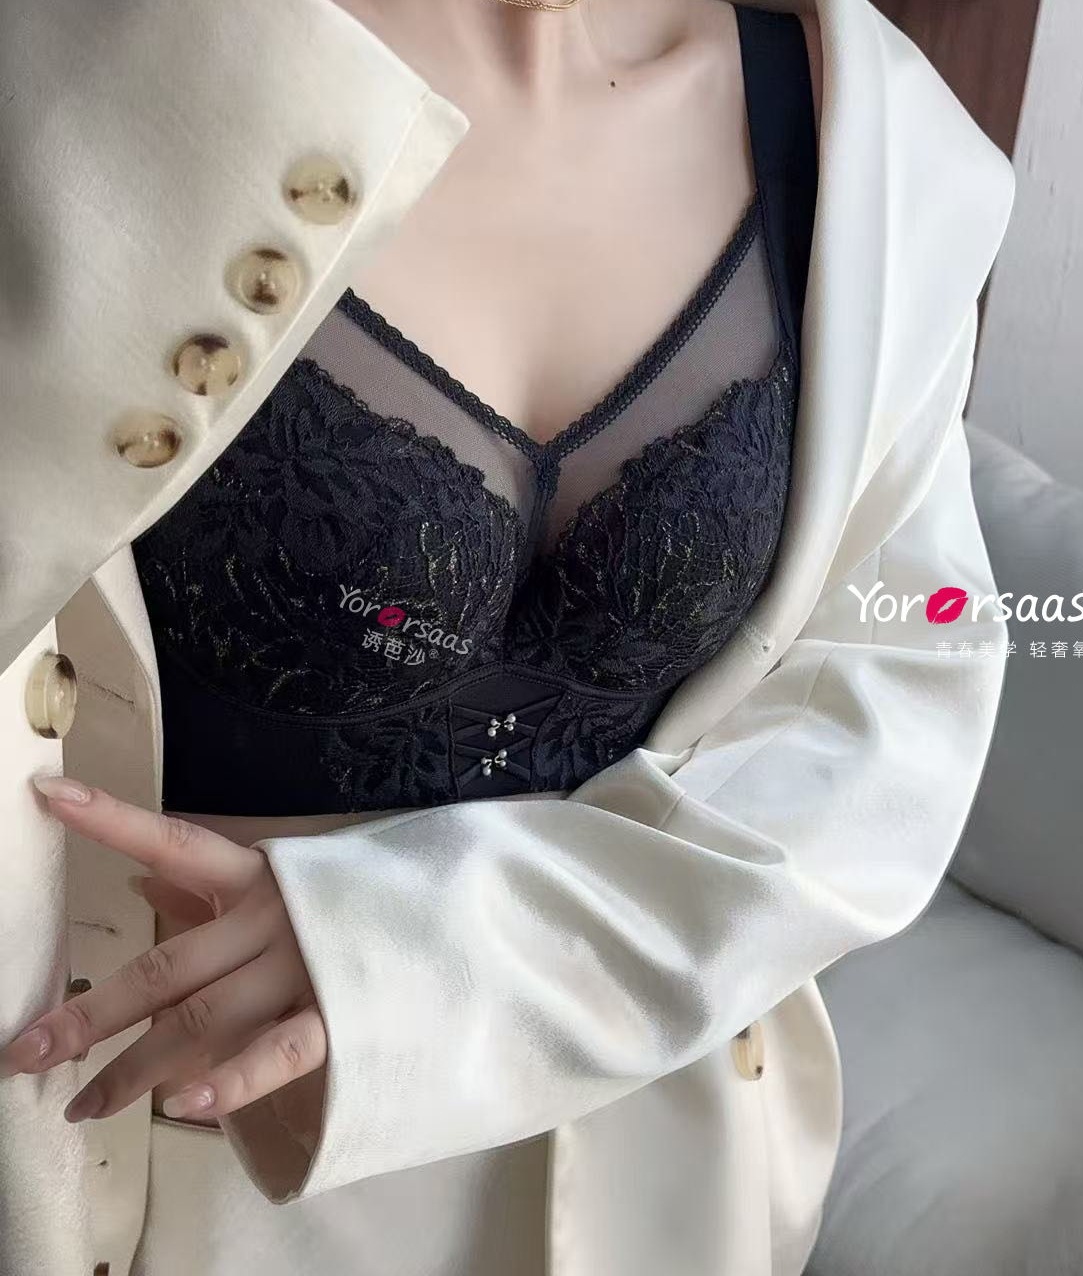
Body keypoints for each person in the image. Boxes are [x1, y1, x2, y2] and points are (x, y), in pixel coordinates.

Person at [0, 0, 1015, 1273]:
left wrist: (426, 956)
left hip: (650, 1140)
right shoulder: (83, 55)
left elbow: (895, 689)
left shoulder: (868, 139)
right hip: (164, 1147)